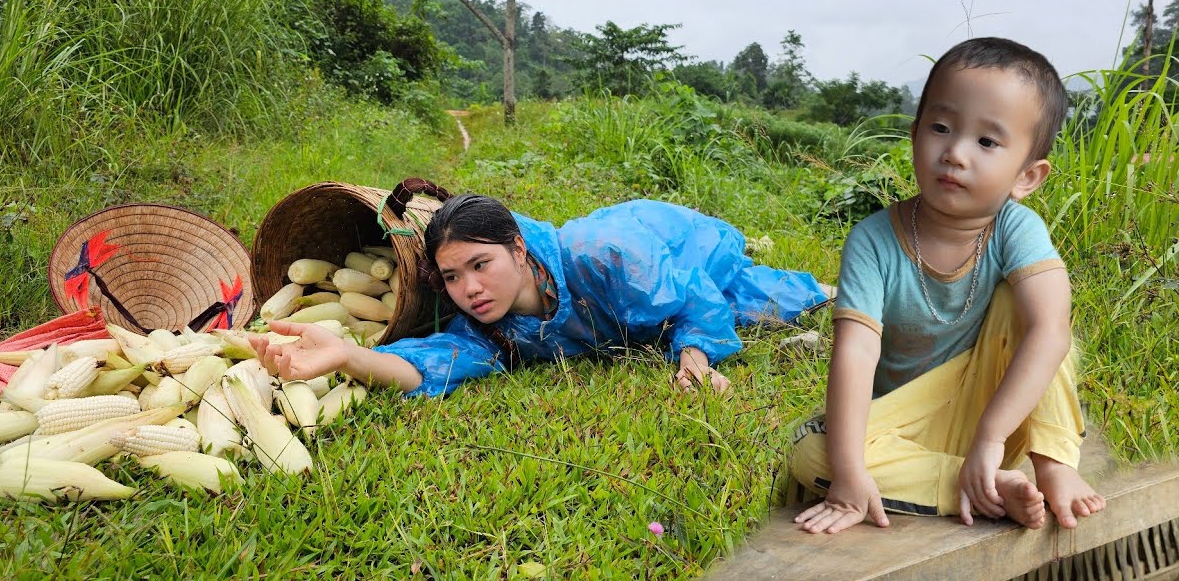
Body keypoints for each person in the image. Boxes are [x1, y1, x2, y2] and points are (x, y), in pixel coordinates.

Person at [790, 37, 1106, 536]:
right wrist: (848, 474)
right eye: (940, 128)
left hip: (1000, 418)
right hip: (906, 422)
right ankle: (978, 487)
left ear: (1028, 176)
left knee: (1036, 316)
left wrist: (989, 437)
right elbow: (855, 353)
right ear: (915, 135)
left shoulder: (1014, 229)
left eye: (986, 142)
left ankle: (1053, 466)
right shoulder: (872, 240)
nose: (955, 153)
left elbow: (1050, 332)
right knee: (811, 454)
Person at [250, 193, 831, 398]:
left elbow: (693, 297)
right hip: (630, 261)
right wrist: (349, 354)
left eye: (481, 265)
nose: (469, 289)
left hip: (667, 241)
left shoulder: (603, 253)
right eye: (452, 277)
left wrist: (694, 360)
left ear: (520, 251)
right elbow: (430, 366)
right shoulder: (492, 328)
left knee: (755, 296)